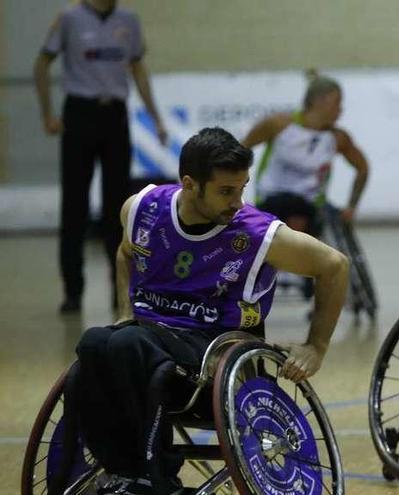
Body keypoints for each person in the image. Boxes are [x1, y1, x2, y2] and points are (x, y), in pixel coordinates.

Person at [64, 127, 349, 494]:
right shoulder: (142, 209)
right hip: (150, 336)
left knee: (125, 344)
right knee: (93, 342)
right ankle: (123, 470)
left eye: (242, 188)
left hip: (214, 350)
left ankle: (154, 477)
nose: (237, 201)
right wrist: (125, 309)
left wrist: (316, 346)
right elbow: (125, 252)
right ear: (190, 184)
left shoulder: (257, 233)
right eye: (226, 191)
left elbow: (335, 266)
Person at [34, 0, 168, 313]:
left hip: (115, 117)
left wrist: (156, 118)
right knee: (75, 206)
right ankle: (73, 290)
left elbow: (138, 68)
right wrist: (47, 115)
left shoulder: (129, 20)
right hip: (80, 113)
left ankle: (119, 287)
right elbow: (41, 64)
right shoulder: (69, 18)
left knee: (118, 209)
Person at [242, 71, 369, 295]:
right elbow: (241, 149)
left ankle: (299, 265)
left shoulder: (338, 138)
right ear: (319, 101)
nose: (341, 110)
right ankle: (288, 261)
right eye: (337, 103)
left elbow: (362, 168)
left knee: (302, 210)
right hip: (271, 200)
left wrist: (351, 206)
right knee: (287, 207)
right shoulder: (279, 124)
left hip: (310, 205)